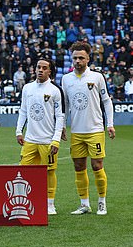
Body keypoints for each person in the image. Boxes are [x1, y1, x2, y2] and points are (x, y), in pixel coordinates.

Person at [62, 41, 115, 215]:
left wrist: (110, 124)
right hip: (76, 131)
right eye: (75, 58)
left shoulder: (97, 77)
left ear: (88, 59)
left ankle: (101, 201)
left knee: (97, 165)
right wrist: (62, 126)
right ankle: (84, 204)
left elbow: (106, 101)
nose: (77, 61)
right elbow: (65, 105)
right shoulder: (66, 79)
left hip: (95, 130)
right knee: (78, 166)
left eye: (81, 58)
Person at [16, 58, 65, 215]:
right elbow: (23, 110)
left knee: (50, 171)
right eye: (38, 67)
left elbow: (60, 117)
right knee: (23, 171)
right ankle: (30, 199)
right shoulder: (27, 88)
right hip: (30, 139)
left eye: (44, 68)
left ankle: (50, 203)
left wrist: (56, 140)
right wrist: (18, 131)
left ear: (50, 71)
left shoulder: (55, 90)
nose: (40, 70)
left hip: (47, 141)